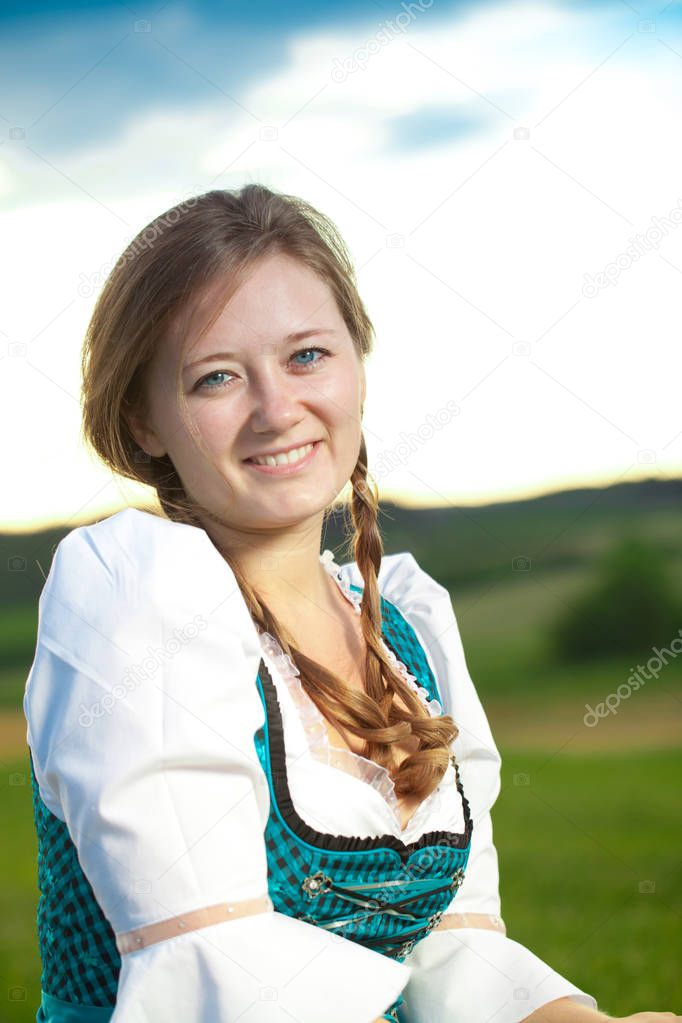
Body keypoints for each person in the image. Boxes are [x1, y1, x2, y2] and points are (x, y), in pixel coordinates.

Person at [22, 185, 678, 1023]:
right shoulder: (132, 597)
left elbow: (450, 946)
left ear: (357, 363)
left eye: (307, 356)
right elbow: (211, 968)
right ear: (143, 420)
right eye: (216, 376)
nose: (276, 409)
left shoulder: (405, 627)